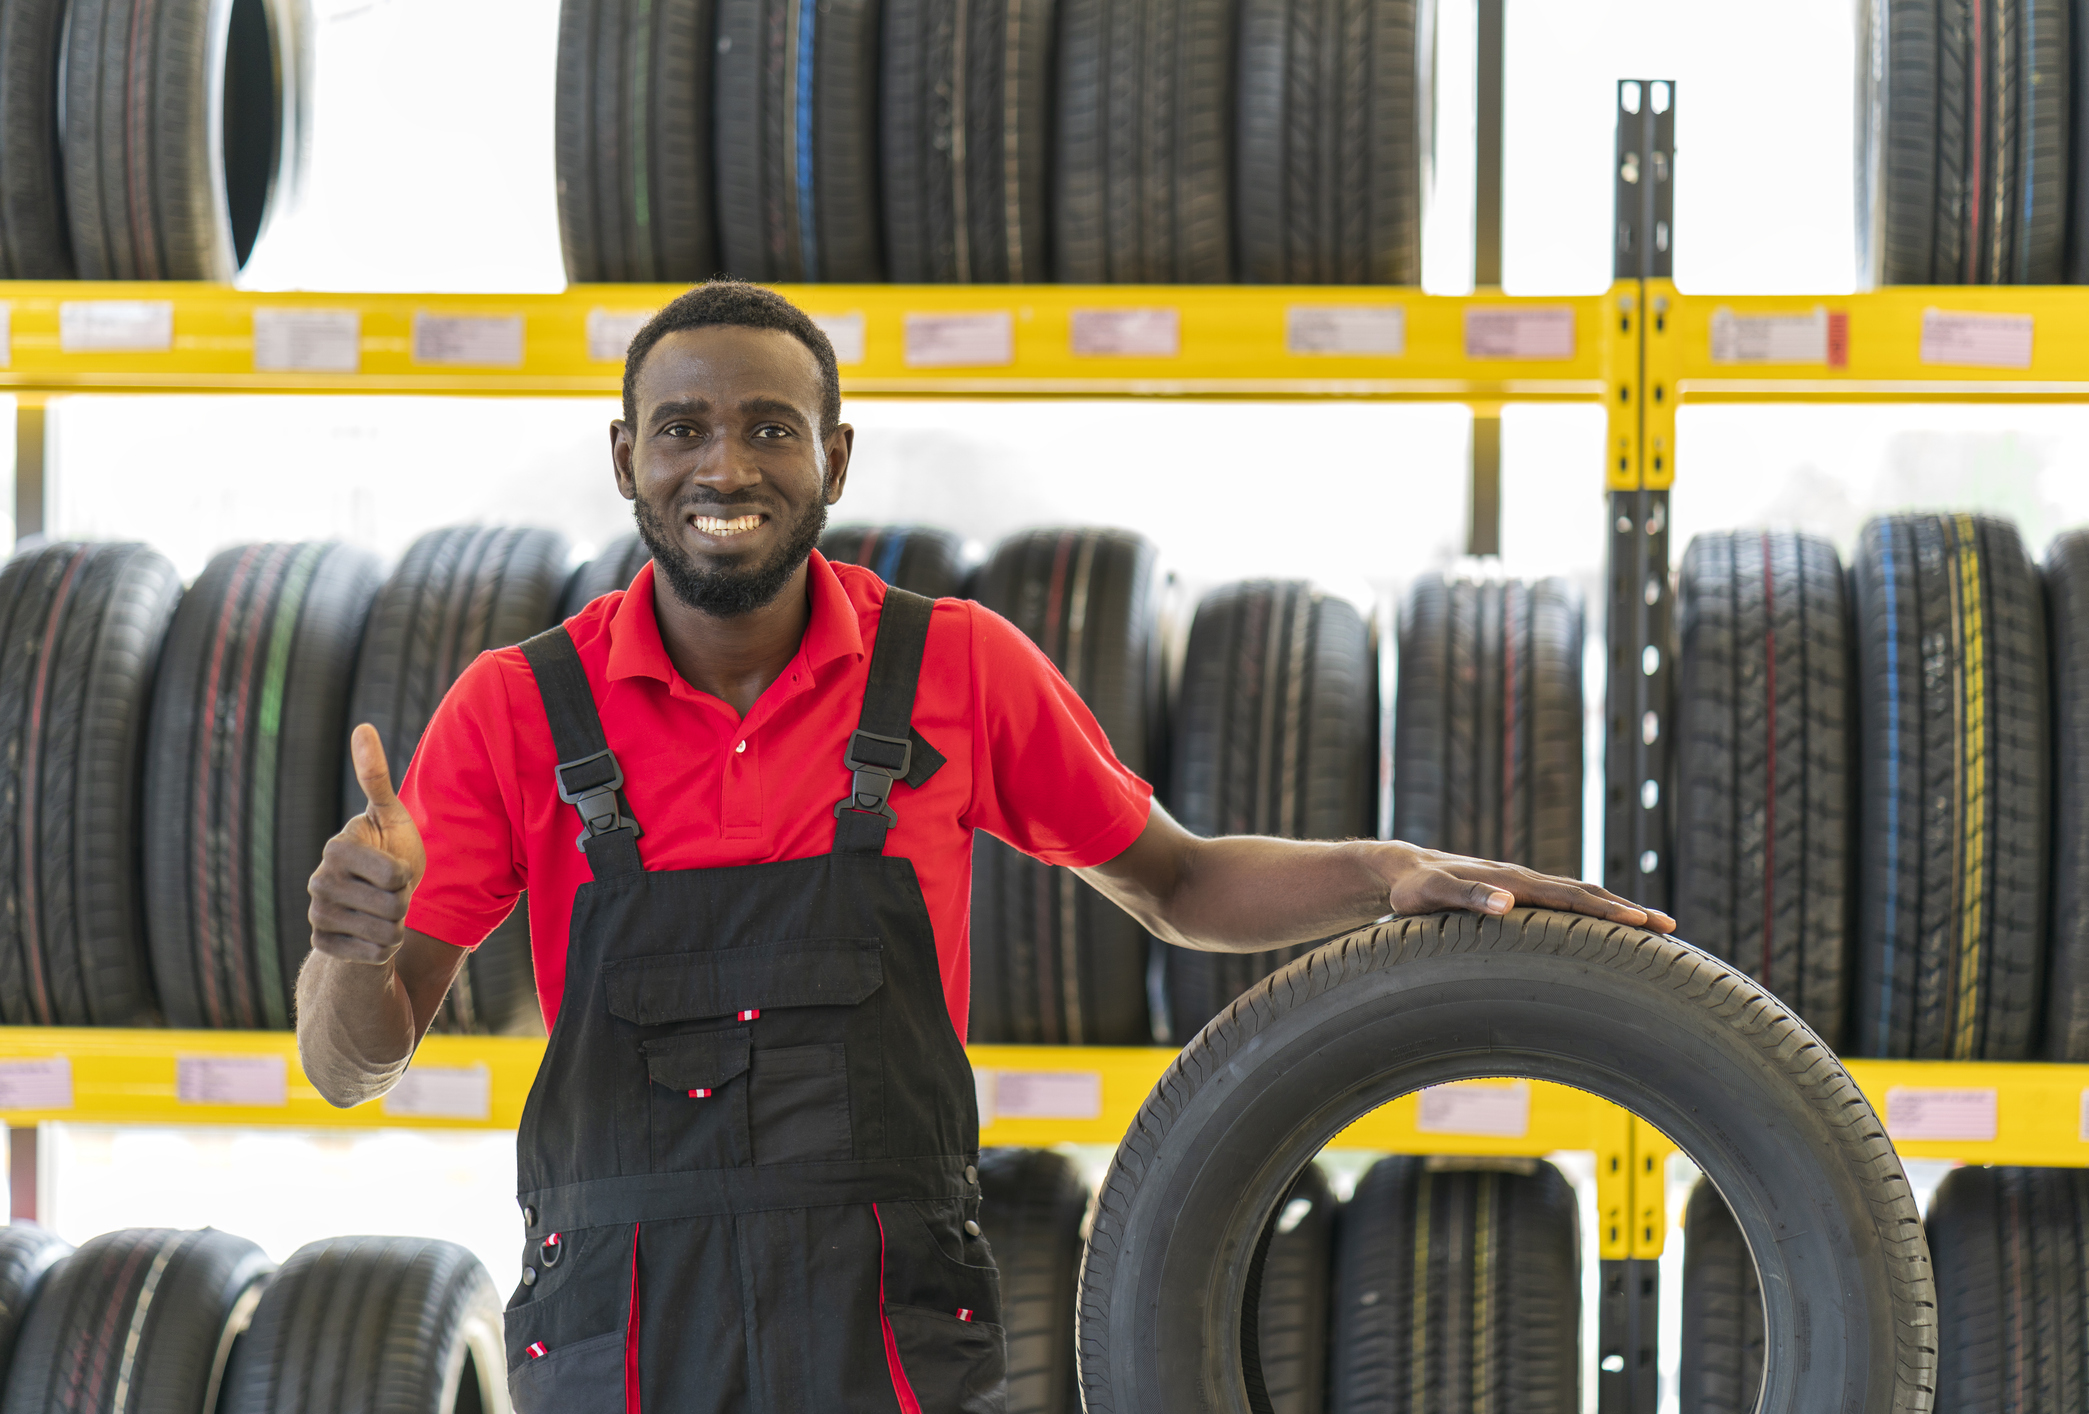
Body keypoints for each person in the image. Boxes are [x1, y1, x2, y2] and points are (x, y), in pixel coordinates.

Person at [297, 279, 1673, 1413]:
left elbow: (1175, 881)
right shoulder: (520, 709)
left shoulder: (951, 668)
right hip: (623, 1340)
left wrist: (1383, 874)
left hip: (883, 1332)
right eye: (683, 430)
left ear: (833, 459)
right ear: (626, 458)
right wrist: (349, 951)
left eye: (771, 429)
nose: (724, 466)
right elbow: (351, 1060)